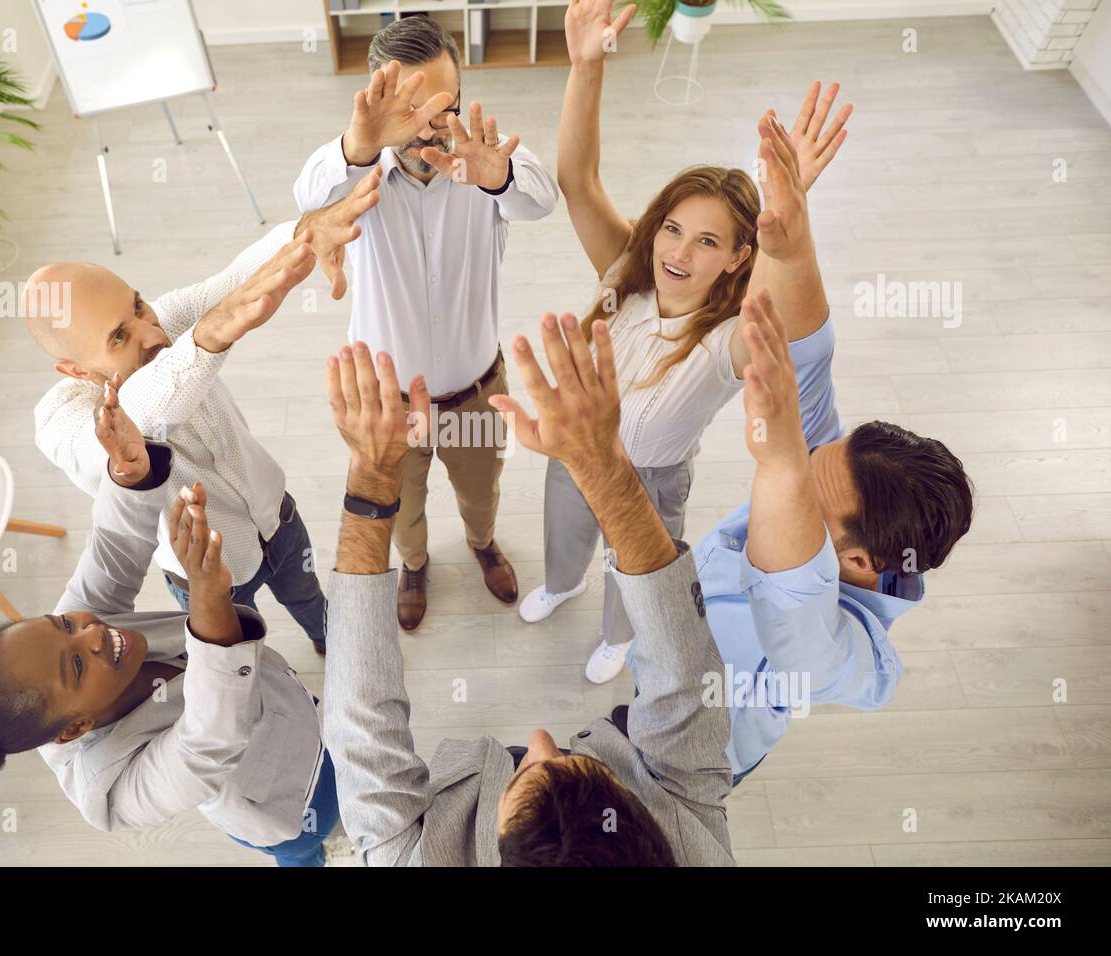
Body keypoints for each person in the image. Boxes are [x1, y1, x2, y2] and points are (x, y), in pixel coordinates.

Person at [318, 319, 734, 866]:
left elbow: (360, 725)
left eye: (526, 775)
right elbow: (683, 681)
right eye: (590, 766)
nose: (539, 738)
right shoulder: (697, 849)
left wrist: (372, 476)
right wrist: (603, 467)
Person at [521, 0, 854, 683]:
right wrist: (585, 67)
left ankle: (619, 633)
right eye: (674, 228)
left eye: (709, 242)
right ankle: (561, 582)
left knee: (634, 566)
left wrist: (788, 219)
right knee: (566, 534)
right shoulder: (625, 278)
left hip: (651, 481)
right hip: (576, 447)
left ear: (738, 257)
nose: (681, 251)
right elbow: (578, 182)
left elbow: (773, 304)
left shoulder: (727, 341)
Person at [0, 377, 339, 866]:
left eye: (63, 624)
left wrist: (131, 473)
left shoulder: (78, 629)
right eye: (75, 666)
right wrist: (208, 603)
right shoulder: (107, 790)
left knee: (331, 735)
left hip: (296, 711)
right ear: (75, 729)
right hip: (285, 799)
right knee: (308, 845)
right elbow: (208, 745)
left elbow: (112, 552)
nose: (91, 633)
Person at [609, 286, 974, 786]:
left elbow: (794, 609)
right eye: (802, 463)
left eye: (802, 493)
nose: (790, 477)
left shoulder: (851, 661)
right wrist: (788, 229)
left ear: (860, 562)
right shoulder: (825, 476)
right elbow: (808, 357)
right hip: (654, 675)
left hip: (687, 764)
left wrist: (781, 464)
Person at [25, 170, 382, 656]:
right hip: (211, 576)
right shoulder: (60, 420)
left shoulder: (166, 320)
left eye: (138, 308)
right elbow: (123, 430)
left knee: (310, 601)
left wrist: (304, 233)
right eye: (118, 337)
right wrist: (208, 337)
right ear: (73, 368)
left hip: (277, 518)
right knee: (244, 659)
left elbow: (234, 280)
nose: (151, 335)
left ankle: (326, 638)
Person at [293, 15, 560, 631]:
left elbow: (542, 199)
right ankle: (414, 564)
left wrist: (497, 176)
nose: (433, 126)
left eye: (448, 105)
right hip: (391, 405)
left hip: (476, 391)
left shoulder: (484, 163)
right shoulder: (353, 174)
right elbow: (307, 192)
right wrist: (357, 148)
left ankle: (481, 542)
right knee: (401, 507)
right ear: (378, 106)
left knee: (480, 491)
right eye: (413, 109)